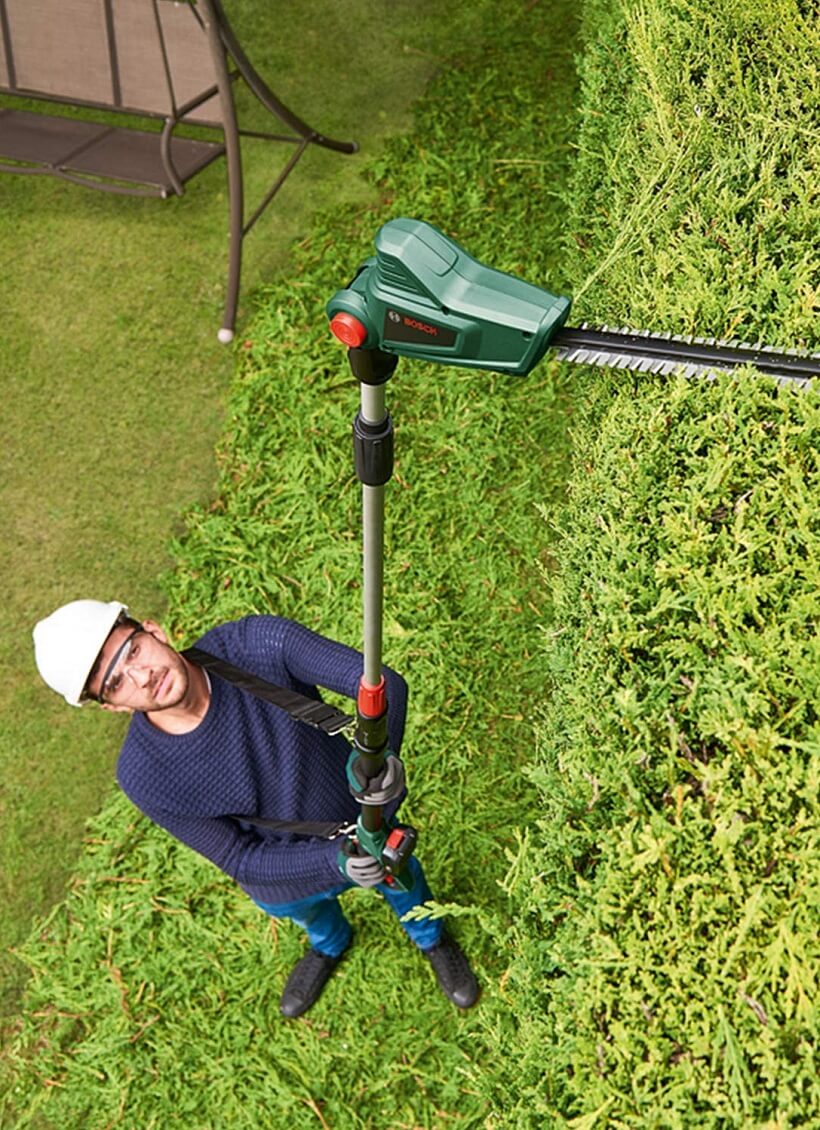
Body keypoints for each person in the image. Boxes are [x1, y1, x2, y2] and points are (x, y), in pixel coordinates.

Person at [32, 599, 478, 1018]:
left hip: (366, 822)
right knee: (311, 916)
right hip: (284, 880)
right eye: (115, 682)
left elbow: (381, 685)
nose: (141, 676)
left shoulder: (255, 646)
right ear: (112, 706)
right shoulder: (143, 775)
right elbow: (236, 857)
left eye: (132, 650)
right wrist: (336, 859)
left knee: (404, 885)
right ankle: (329, 944)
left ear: (152, 630)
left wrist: (380, 757)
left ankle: (432, 938)